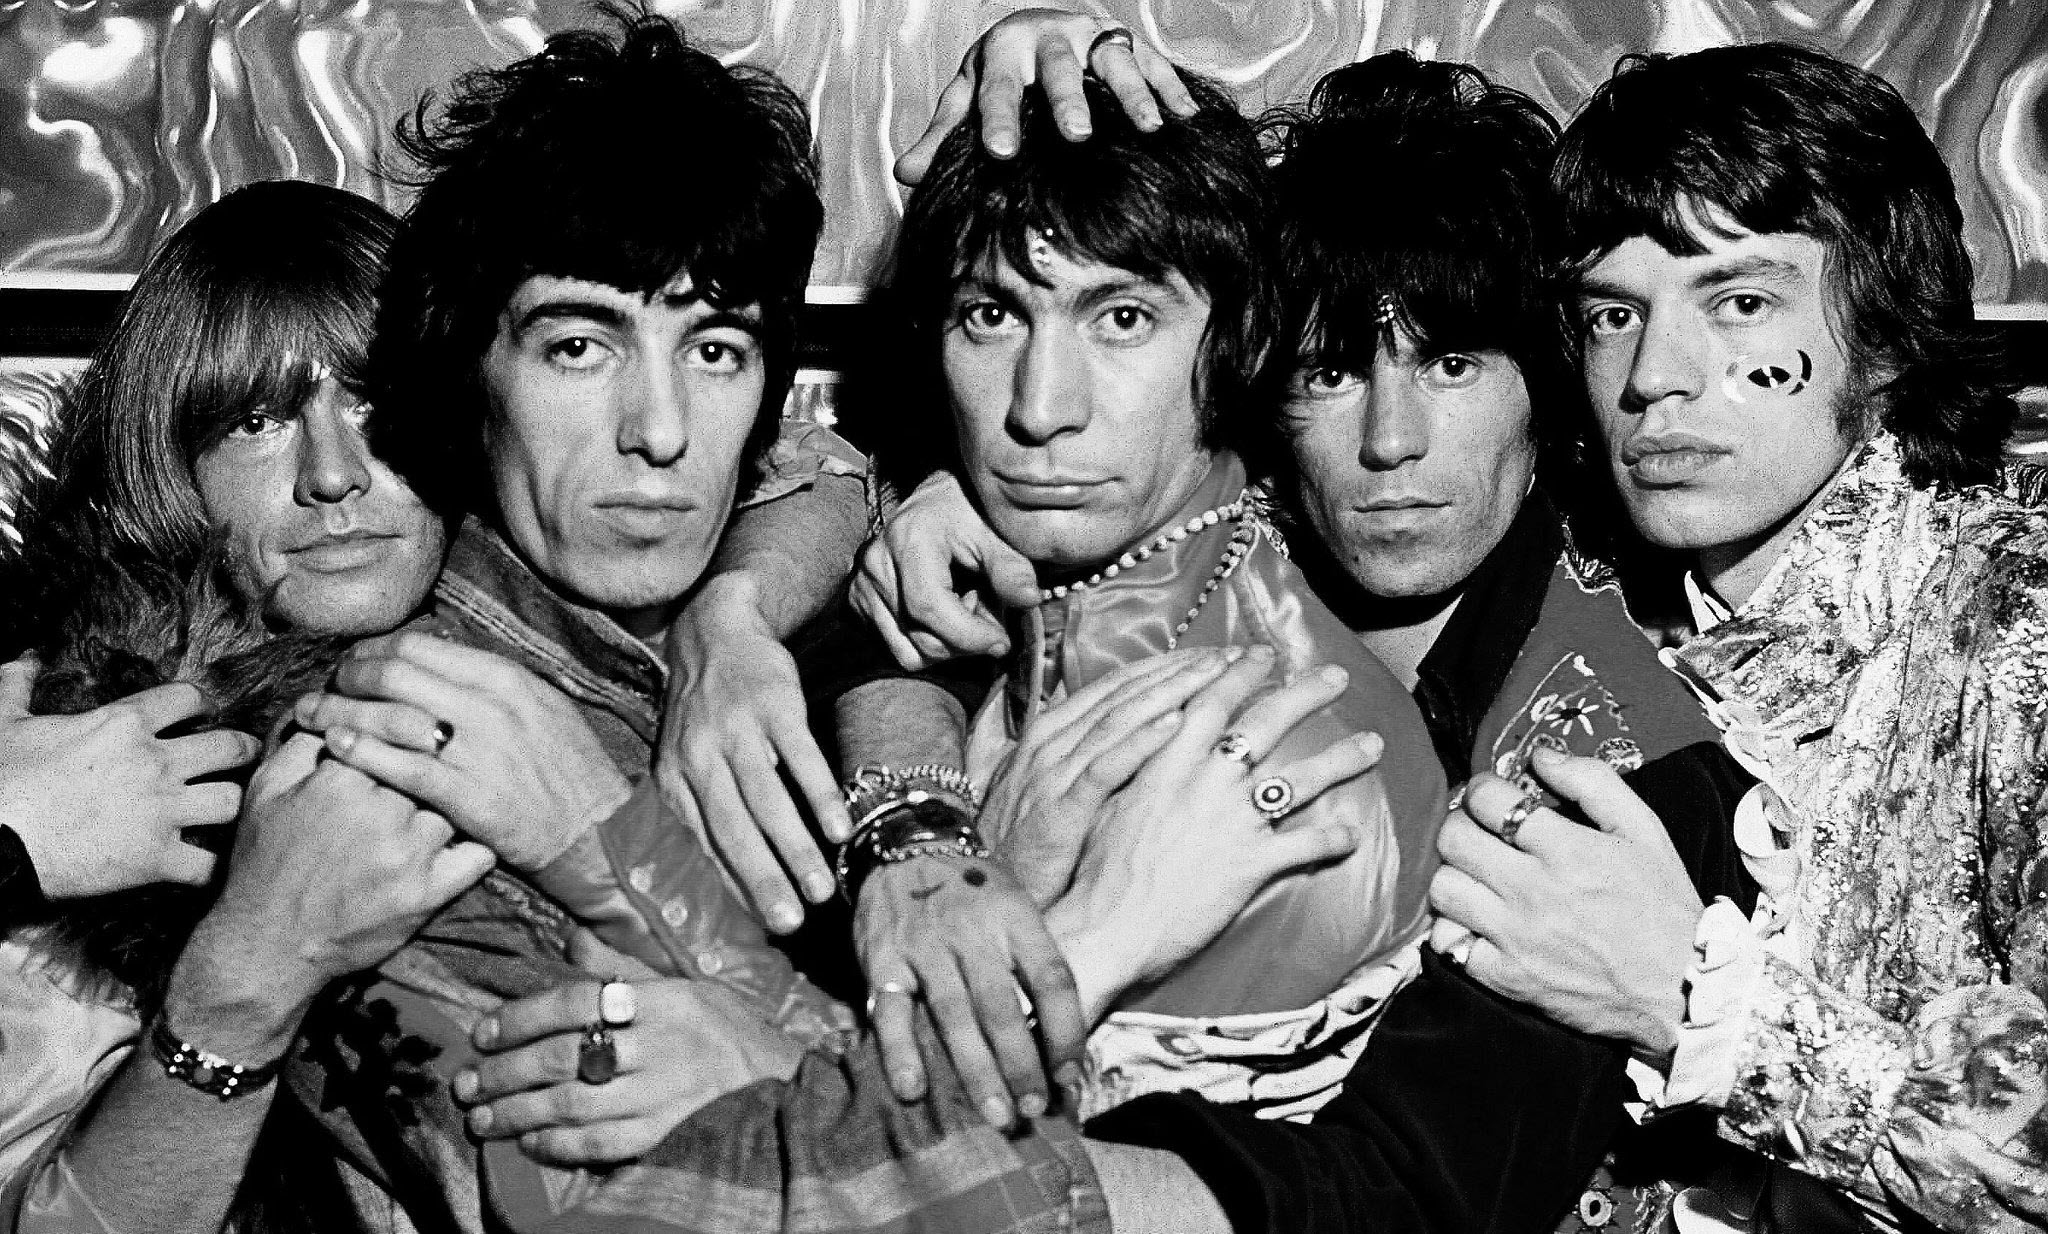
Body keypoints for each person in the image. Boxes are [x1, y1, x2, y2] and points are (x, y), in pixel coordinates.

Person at [286, 16, 1379, 1233]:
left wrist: (747, 621)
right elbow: (656, 1215)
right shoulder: (394, 764)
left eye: (714, 349)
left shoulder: (760, 607)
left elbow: (838, 468)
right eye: (579, 346)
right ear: (464, 371)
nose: (659, 431)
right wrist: (1084, 933)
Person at [1426, 42, 2048, 1231]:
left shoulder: (2011, 620)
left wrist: (1698, 1005)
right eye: (1612, 314)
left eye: (1739, 302)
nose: (1652, 377)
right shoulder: (1572, 578)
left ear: (1882, 331)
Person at [0, 179, 498, 1234]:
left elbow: (794, 468)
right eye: (257, 422)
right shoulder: (75, 745)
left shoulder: (536, 652)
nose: (333, 475)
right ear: (171, 468)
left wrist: (739, 617)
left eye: (374, 403)